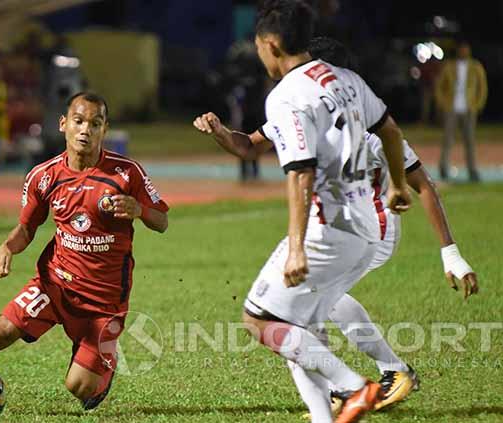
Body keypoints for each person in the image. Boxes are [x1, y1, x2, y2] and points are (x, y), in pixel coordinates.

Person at [198, 35, 480, 420]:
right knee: (303, 316)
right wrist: (219, 132)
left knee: (300, 311)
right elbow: (249, 144)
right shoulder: (315, 111)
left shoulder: (359, 128)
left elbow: (420, 181)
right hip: (340, 226)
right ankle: (337, 398)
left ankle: (376, 375)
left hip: (366, 229)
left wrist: (450, 251)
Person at [193, 2, 412, 422]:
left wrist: (297, 248)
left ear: (271, 45)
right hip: (365, 228)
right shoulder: (345, 79)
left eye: (257, 46)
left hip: (327, 230)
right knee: (298, 330)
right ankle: (322, 417)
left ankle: (351, 386)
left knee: (258, 320)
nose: (258, 55)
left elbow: (300, 173)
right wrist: (398, 185)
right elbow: (389, 129)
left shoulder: (288, 95)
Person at [0, 92, 169, 418]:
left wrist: (138, 209)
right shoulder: (44, 176)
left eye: (95, 124)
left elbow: (161, 221)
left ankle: (102, 367)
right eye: (78, 121)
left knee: (79, 386)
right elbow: (26, 228)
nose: (85, 130)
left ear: (104, 129)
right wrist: (8, 247)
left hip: (104, 300)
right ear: (64, 124)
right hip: (55, 283)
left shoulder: (127, 173)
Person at [434, 40, 487, 182]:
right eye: (462, 49)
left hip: (469, 109)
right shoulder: (449, 66)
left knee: (469, 141)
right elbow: (439, 86)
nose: (464, 51)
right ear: (458, 51)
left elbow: (482, 87)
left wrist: (477, 104)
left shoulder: (475, 67)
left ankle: (472, 170)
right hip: (451, 109)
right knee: (448, 140)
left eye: (466, 49)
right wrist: (443, 104)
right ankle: (444, 168)